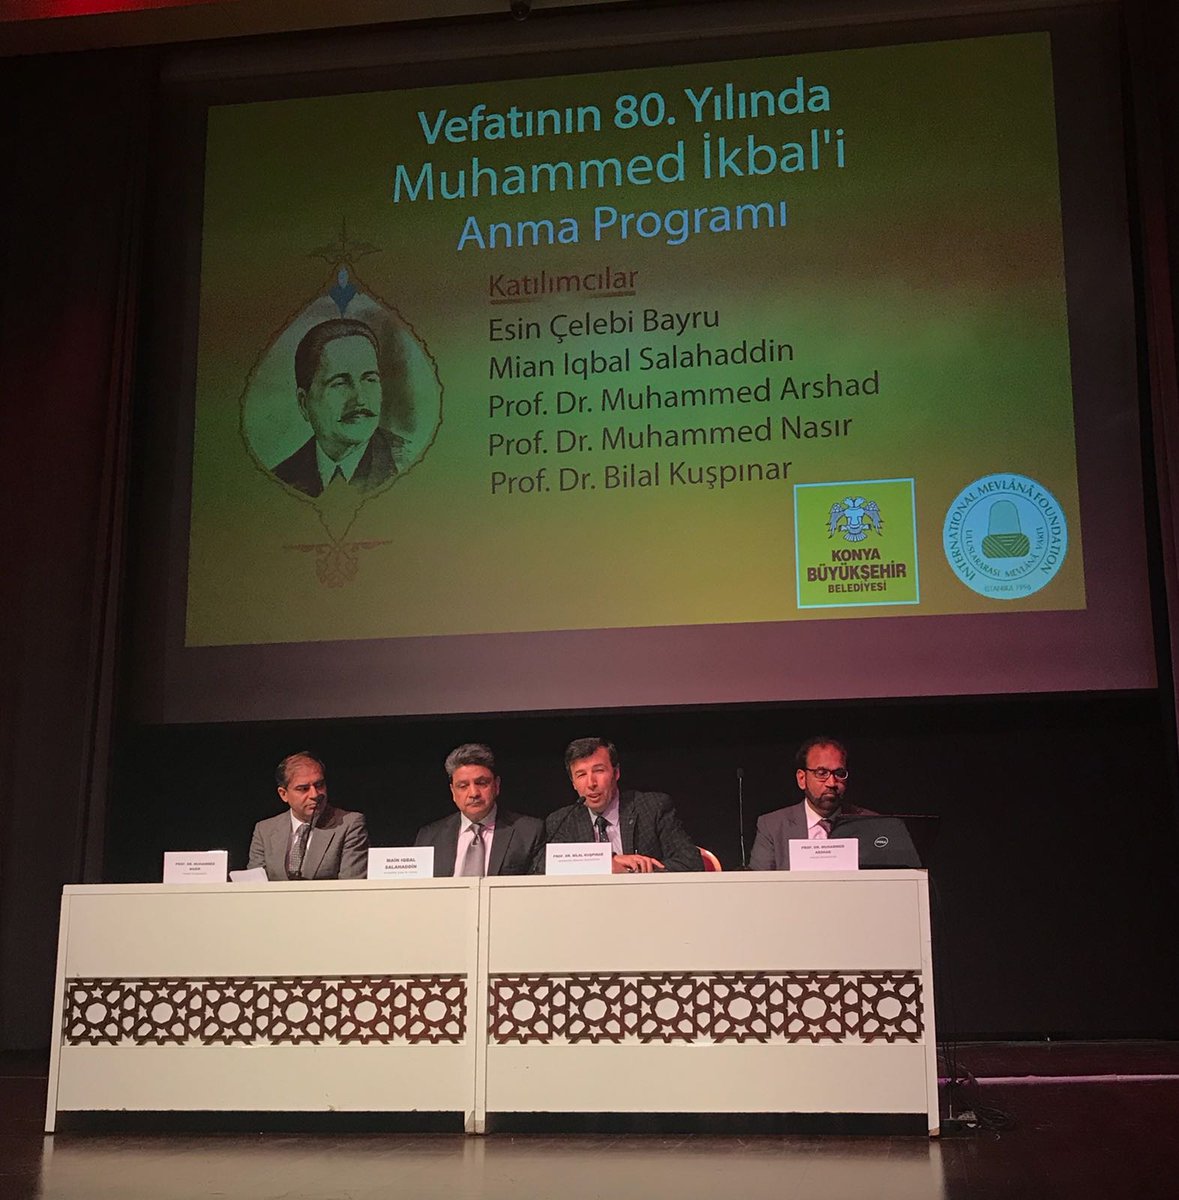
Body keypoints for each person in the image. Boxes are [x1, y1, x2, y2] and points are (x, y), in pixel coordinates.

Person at [272, 318, 404, 497]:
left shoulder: (406, 461)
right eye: (340, 383)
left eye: (369, 379)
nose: (360, 399)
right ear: (304, 403)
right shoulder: (280, 479)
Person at [542, 737, 700, 873]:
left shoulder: (652, 808)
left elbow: (690, 862)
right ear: (573, 783)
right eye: (581, 775)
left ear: (616, 773)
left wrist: (630, 871)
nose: (591, 783)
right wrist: (607, 862)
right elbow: (544, 868)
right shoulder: (562, 822)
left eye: (599, 771)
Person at [414, 743, 544, 876]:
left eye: (481, 783)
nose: (474, 793)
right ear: (453, 792)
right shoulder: (429, 837)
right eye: (463, 786)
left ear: (496, 785)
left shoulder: (529, 832)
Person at [748, 736, 876, 870]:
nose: (832, 783)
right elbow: (759, 881)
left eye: (839, 773)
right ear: (802, 779)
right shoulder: (772, 826)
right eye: (822, 773)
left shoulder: (870, 824)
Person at [247, 751, 369, 880]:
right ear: (283, 794)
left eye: (319, 785)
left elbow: (350, 886)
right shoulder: (264, 830)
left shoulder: (349, 825)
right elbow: (254, 886)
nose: (314, 794)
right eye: (303, 789)